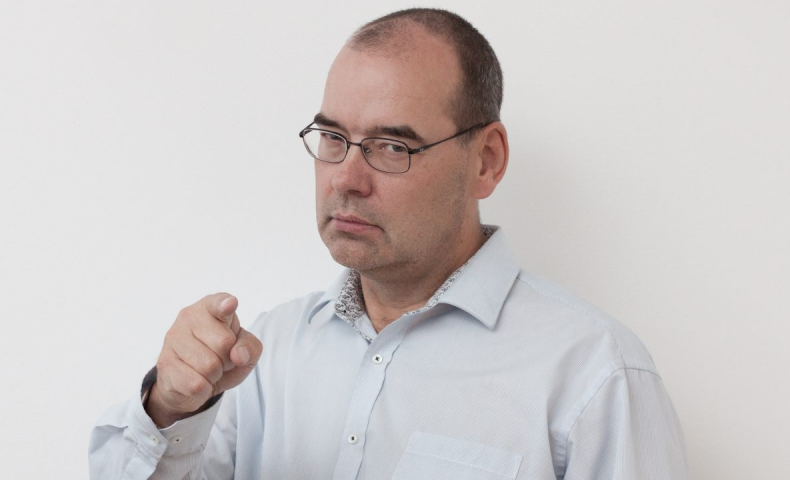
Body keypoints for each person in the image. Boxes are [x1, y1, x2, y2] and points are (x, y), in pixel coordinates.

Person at [89, 8, 689, 480]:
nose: (346, 179)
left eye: (392, 147)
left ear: (485, 160)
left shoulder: (595, 375)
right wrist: (171, 407)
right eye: (332, 137)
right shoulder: (266, 358)